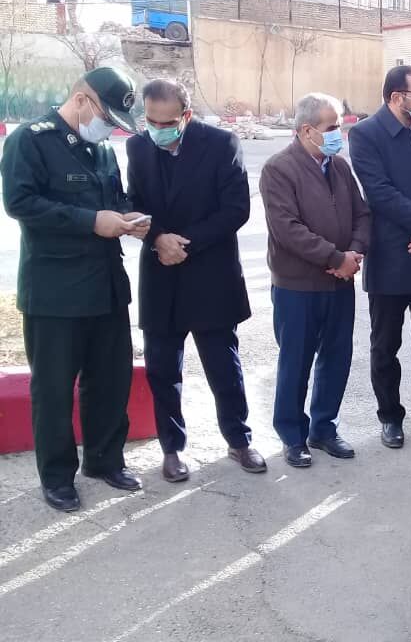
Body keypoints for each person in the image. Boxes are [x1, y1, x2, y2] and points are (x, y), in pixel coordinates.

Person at [0, 67, 148, 512]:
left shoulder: (101, 148)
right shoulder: (31, 140)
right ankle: (57, 476)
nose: (109, 129)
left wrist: (131, 218)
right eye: (106, 117)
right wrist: (91, 222)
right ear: (82, 101)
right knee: (54, 388)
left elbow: (114, 199)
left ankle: (104, 460)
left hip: (105, 288)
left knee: (111, 379)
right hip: (55, 293)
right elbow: (20, 203)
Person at [126, 79, 266, 482]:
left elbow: (236, 208)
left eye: (166, 122)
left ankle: (239, 441)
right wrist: (157, 239)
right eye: (150, 121)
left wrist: (185, 243)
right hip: (161, 274)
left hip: (210, 271)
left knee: (224, 366)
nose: (157, 129)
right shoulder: (138, 147)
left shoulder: (221, 144)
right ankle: (172, 449)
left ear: (185, 116)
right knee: (162, 369)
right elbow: (133, 202)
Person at [261, 94, 371, 467]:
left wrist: (354, 253)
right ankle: (292, 436)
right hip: (298, 286)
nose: (339, 133)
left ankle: (324, 429)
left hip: (340, 282)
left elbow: (362, 214)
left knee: (337, 358)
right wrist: (334, 257)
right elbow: (288, 229)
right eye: (332, 127)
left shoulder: (338, 167)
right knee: (297, 361)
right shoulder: (279, 169)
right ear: (307, 130)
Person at [349, 65, 411, 448]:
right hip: (392, 253)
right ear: (395, 97)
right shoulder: (366, 134)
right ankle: (390, 416)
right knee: (385, 343)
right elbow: (380, 193)